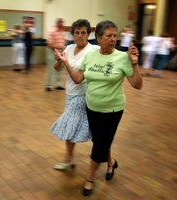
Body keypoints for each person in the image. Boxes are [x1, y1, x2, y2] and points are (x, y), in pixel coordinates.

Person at [56, 20, 142, 196]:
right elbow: (78, 78)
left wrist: (134, 63)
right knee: (98, 140)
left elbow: (137, 85)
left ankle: (90, 178)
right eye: (108, 36)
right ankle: (111, 162)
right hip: (91, 106)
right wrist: (65, 63)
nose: (112, 39)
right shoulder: (90, 55)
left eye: (115, 36)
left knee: (99, 144)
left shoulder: (120, 57)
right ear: (99, 38)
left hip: (112, 109)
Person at [51, 19, 99, 170]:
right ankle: (106, 156)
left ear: (88, 34)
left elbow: (81, 77)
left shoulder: (93, 50)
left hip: (83, 94)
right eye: (77, 33)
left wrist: (65, 63)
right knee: (91, 129)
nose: (79, 36)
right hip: (70, 93)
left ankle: (68, 158)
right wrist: (59, 60)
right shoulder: (69, 48)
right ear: (72, 34)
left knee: (70, 124)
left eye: (83, 33)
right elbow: (57, 68)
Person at [45, 17, 70, 91]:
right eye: (61, 22)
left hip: (61, 51)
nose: (62, 24)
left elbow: (65, 40)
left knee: (60, 68)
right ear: (57, 23)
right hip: (52, 51)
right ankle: (48, 85)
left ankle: (57, 84)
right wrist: (57, 50)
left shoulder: (62, 31)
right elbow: (49, 44)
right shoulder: (52, 31)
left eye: (62, 23)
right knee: (51, 68)